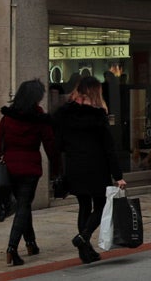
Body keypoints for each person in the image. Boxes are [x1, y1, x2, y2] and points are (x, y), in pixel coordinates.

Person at [54, 76, 126, 265]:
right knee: (101, 204)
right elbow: (109, 147)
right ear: (96, 91)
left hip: (74, 166)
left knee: (84, 205)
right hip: (96, 166)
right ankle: (84, 236)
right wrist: (118, 176)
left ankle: (86, 252)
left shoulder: (64, 114)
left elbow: (58, 144)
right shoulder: (98, 115)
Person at [0, 79, 60, 266]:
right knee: (23, 205)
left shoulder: (7, 117)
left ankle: (31, 243)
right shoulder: (39, 119)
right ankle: (12, 248)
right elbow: (50, 145)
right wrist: (57, 169)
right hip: (30, 168)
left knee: (24, 206)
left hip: (10, 168)